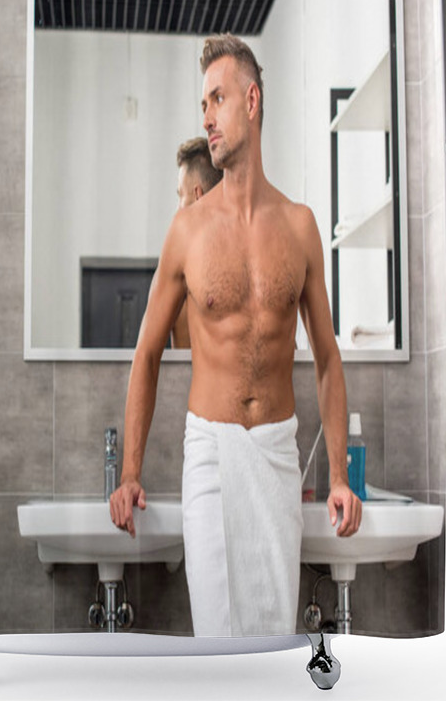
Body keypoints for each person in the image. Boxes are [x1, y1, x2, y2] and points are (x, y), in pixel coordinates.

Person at [110, 34, 362, 637]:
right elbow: (146, 354)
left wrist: (339, 477)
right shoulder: (188, 231)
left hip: (277, 455)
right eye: (202, 103)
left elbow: (327, 358)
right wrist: (129, 473)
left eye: (217, 99)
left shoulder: (299, 228)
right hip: (211, 453)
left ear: (252, 101)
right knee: (218, 639)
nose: (206, 116)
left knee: (275, 638)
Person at [172, 137, 222, 348]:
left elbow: (179, 372)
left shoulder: (180, 279)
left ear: (198, 196)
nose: (177, 210)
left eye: (180, 196)